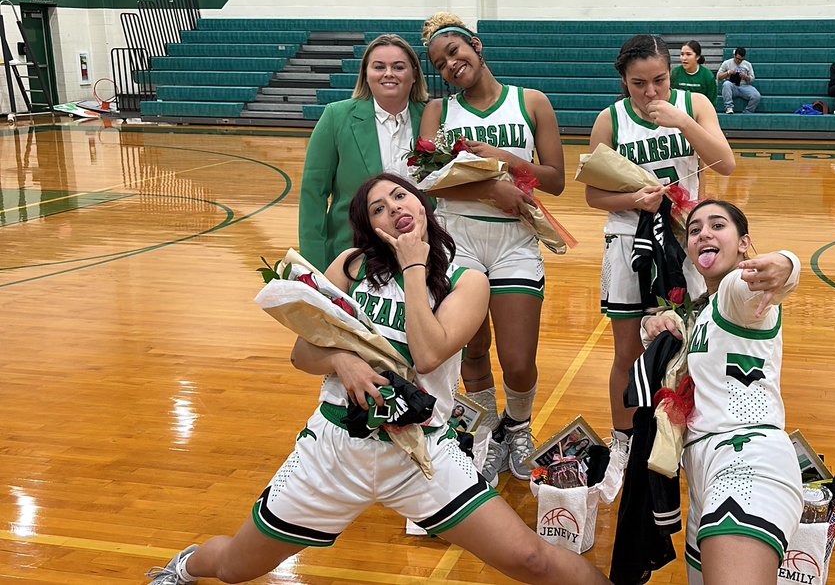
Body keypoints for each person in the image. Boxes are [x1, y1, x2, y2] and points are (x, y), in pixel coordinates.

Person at [145, 174, 610, 585]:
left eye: (400, 197)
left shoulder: (468, 279)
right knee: (234, 569)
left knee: (532, 558)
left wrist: (413, 268)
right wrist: (343, 362)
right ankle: (184, 568)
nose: (394, 209)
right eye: (378, 209)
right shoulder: (351, 266)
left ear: (422, 205)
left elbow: (427, 355)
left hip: (423, 452)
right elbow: (303, 353)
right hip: (334, 450)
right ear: (372, 229)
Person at [420, 12, 565, 484]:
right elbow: (424, 183)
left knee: (519, 358)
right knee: (474, 348)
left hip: (514, 241)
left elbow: (556, 180)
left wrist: (502, 160)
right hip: (457, 239)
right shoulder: (439, 114)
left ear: (476, 46)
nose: (450, 66)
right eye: (440, 64)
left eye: (455, 53)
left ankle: (518, 429)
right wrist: (488, 190)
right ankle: (483, 438)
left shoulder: (532, 102)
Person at [583, 34, 735, 480]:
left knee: (689, 347)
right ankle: (623, 440)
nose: (650, 93)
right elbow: (593, 193)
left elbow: (725, 164)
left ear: (672, 73)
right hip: (630, 241)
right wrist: (635, 197)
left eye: (659, 81)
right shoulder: (609, 119)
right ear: (623, 82)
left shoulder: (694, 105)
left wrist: (681, 122)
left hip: (688, 243)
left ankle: (688, 438)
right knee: (627, 353)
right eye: (638, 84)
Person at [639, 199, 803, 585]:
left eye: (717, 226)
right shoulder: (703, 312)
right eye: (695, 230)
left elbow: (763, 279)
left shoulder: (736, 293)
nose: (704, 234)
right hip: (703, 474)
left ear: (745, 243)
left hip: (745, 460)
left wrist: (787, 263)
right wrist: (654, 322)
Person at [299, 34, 428, 272]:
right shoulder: (336, 117)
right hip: (353, 254)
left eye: (398, 67)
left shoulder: (432, 117)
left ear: (414, 75)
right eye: (379, 67)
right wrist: (313, 264)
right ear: (366, 75)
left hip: (420, 252)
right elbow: (313, 193)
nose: (389, 73)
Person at [671, 40, 719, 110]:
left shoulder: (708, 76)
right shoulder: (675, 73)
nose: (684, 58)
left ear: (697, 57)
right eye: (682, 54)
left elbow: (712, 103)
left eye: (688, 54)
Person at [717, 47, 761, 114]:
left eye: (741, 59)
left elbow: (752, 79)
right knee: (726, 84)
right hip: (732, 86)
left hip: (744, 86)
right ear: (734, 55)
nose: (739, 61)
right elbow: (719, 76)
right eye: (737, 59)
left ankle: (748, 111)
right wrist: (728, 73)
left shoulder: (748, 64)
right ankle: (729, 107)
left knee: (756, 96)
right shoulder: (727, 63)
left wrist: (746, 77)